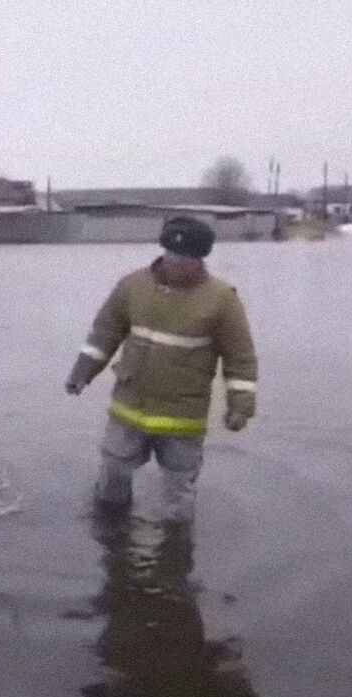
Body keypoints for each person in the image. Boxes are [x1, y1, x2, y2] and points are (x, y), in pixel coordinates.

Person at [64, 216, 257, 521]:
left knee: (179, 493)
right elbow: (104, 334)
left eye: (184, 258)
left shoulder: (221, 300)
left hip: (182, 416)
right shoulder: (132, 286)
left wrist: (241, 406)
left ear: (200, 259)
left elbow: (240, 358)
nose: (175, 263)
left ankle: (176, 548)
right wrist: (81, 373)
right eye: (170, 254)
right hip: (129, 407)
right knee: (112, 475)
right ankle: (110, 534)